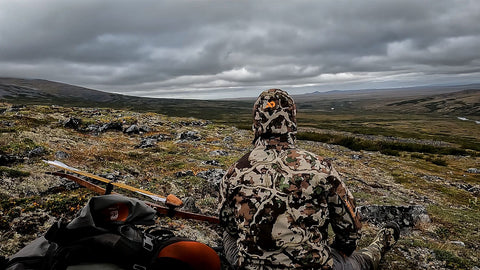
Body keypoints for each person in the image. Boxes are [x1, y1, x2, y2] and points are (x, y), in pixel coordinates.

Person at [219, 89, 400, 269]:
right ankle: (380, 244)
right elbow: (351, 229)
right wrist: (340, 250)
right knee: (357, 261)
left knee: (228, 237)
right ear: (292, 122)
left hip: (250, 265)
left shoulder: (235, 171)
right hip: (313, 265)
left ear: (256, 123)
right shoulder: (320, 167)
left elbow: (229, 225)